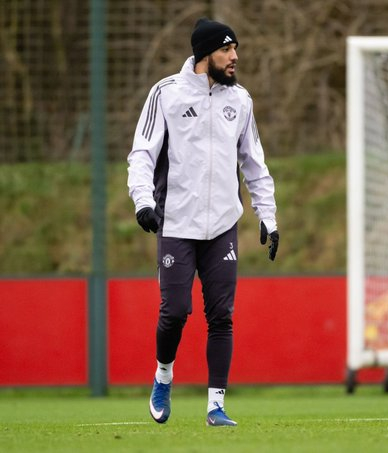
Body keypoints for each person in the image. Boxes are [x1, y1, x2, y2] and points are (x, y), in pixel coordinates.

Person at [127, 17, 279, 427]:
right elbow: (141, 154)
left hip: (223, 226)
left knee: (221, 316)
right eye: (227, 49)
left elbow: (254, 163)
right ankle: (163, 376)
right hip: (176, 222)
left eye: (235, 49)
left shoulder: (240, 100)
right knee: (175, 312)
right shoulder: (166, 93)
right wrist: (143, 201)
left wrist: (268, 216)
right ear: (204, 54)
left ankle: (216, 406)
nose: (234, 57)